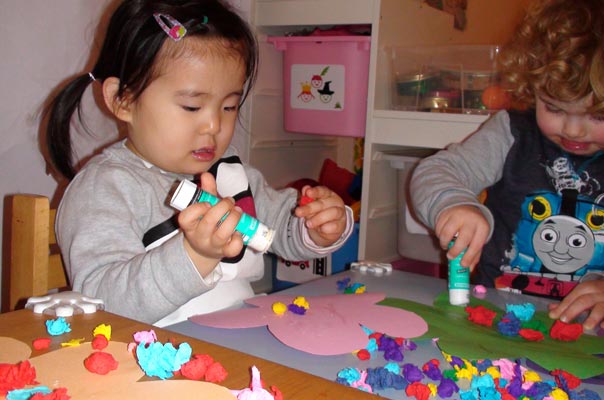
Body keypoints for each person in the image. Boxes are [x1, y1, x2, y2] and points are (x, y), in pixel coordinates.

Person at [44, 0, 353, 326]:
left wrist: (316, 227)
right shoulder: (105, 189)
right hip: (146, 359)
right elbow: (103, 301)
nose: (214, 126)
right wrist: (195, 256)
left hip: (238, 346)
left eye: (229, 107)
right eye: (192, 107)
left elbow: (279, 229)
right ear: (123, 100)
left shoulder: (231, 174)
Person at [410, 0, 604, 331]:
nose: (573, 131)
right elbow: (436, 171)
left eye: (599, 115)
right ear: (532, 88)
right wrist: (454, 202)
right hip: (492, 320)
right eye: (554, 108)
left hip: (588, 335)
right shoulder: (512, 132)